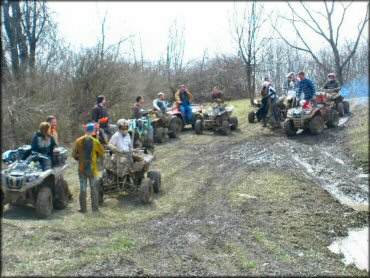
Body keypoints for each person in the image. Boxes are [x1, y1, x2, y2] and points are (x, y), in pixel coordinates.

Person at [72, 123, 105, 213]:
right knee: (93, 188)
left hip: (81, 168)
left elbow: (73, 154)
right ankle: (95, 208)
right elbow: (102, 152)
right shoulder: (95, 141)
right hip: (92, 169)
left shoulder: (78, 141)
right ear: (93, 131)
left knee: (83, 188)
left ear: (85, 130)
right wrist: (97, 158)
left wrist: (79, 159)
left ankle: (83, 209)